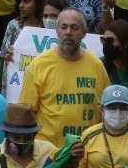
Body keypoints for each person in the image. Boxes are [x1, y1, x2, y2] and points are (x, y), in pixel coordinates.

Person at [18, 8, 109, 147]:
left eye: (74, 28)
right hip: (49, 153)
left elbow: (106, 109)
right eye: (64, 27)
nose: (68, 32)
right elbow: (26, 113)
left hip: (87, 150)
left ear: (84, 33)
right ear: (57, 31)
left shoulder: (96, 65)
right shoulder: (38, 65)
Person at [78, 84, 128, 168]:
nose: (118, 112)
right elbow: (79, 164)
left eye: (123, 108)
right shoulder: (88, 135)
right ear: (102, 109)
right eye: (112, 107)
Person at [0, 103, 56, 168]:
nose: (22, 141)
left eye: (27, 137)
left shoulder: (49, 152)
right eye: (16, 137)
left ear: (34, 135)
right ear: (7, 135)